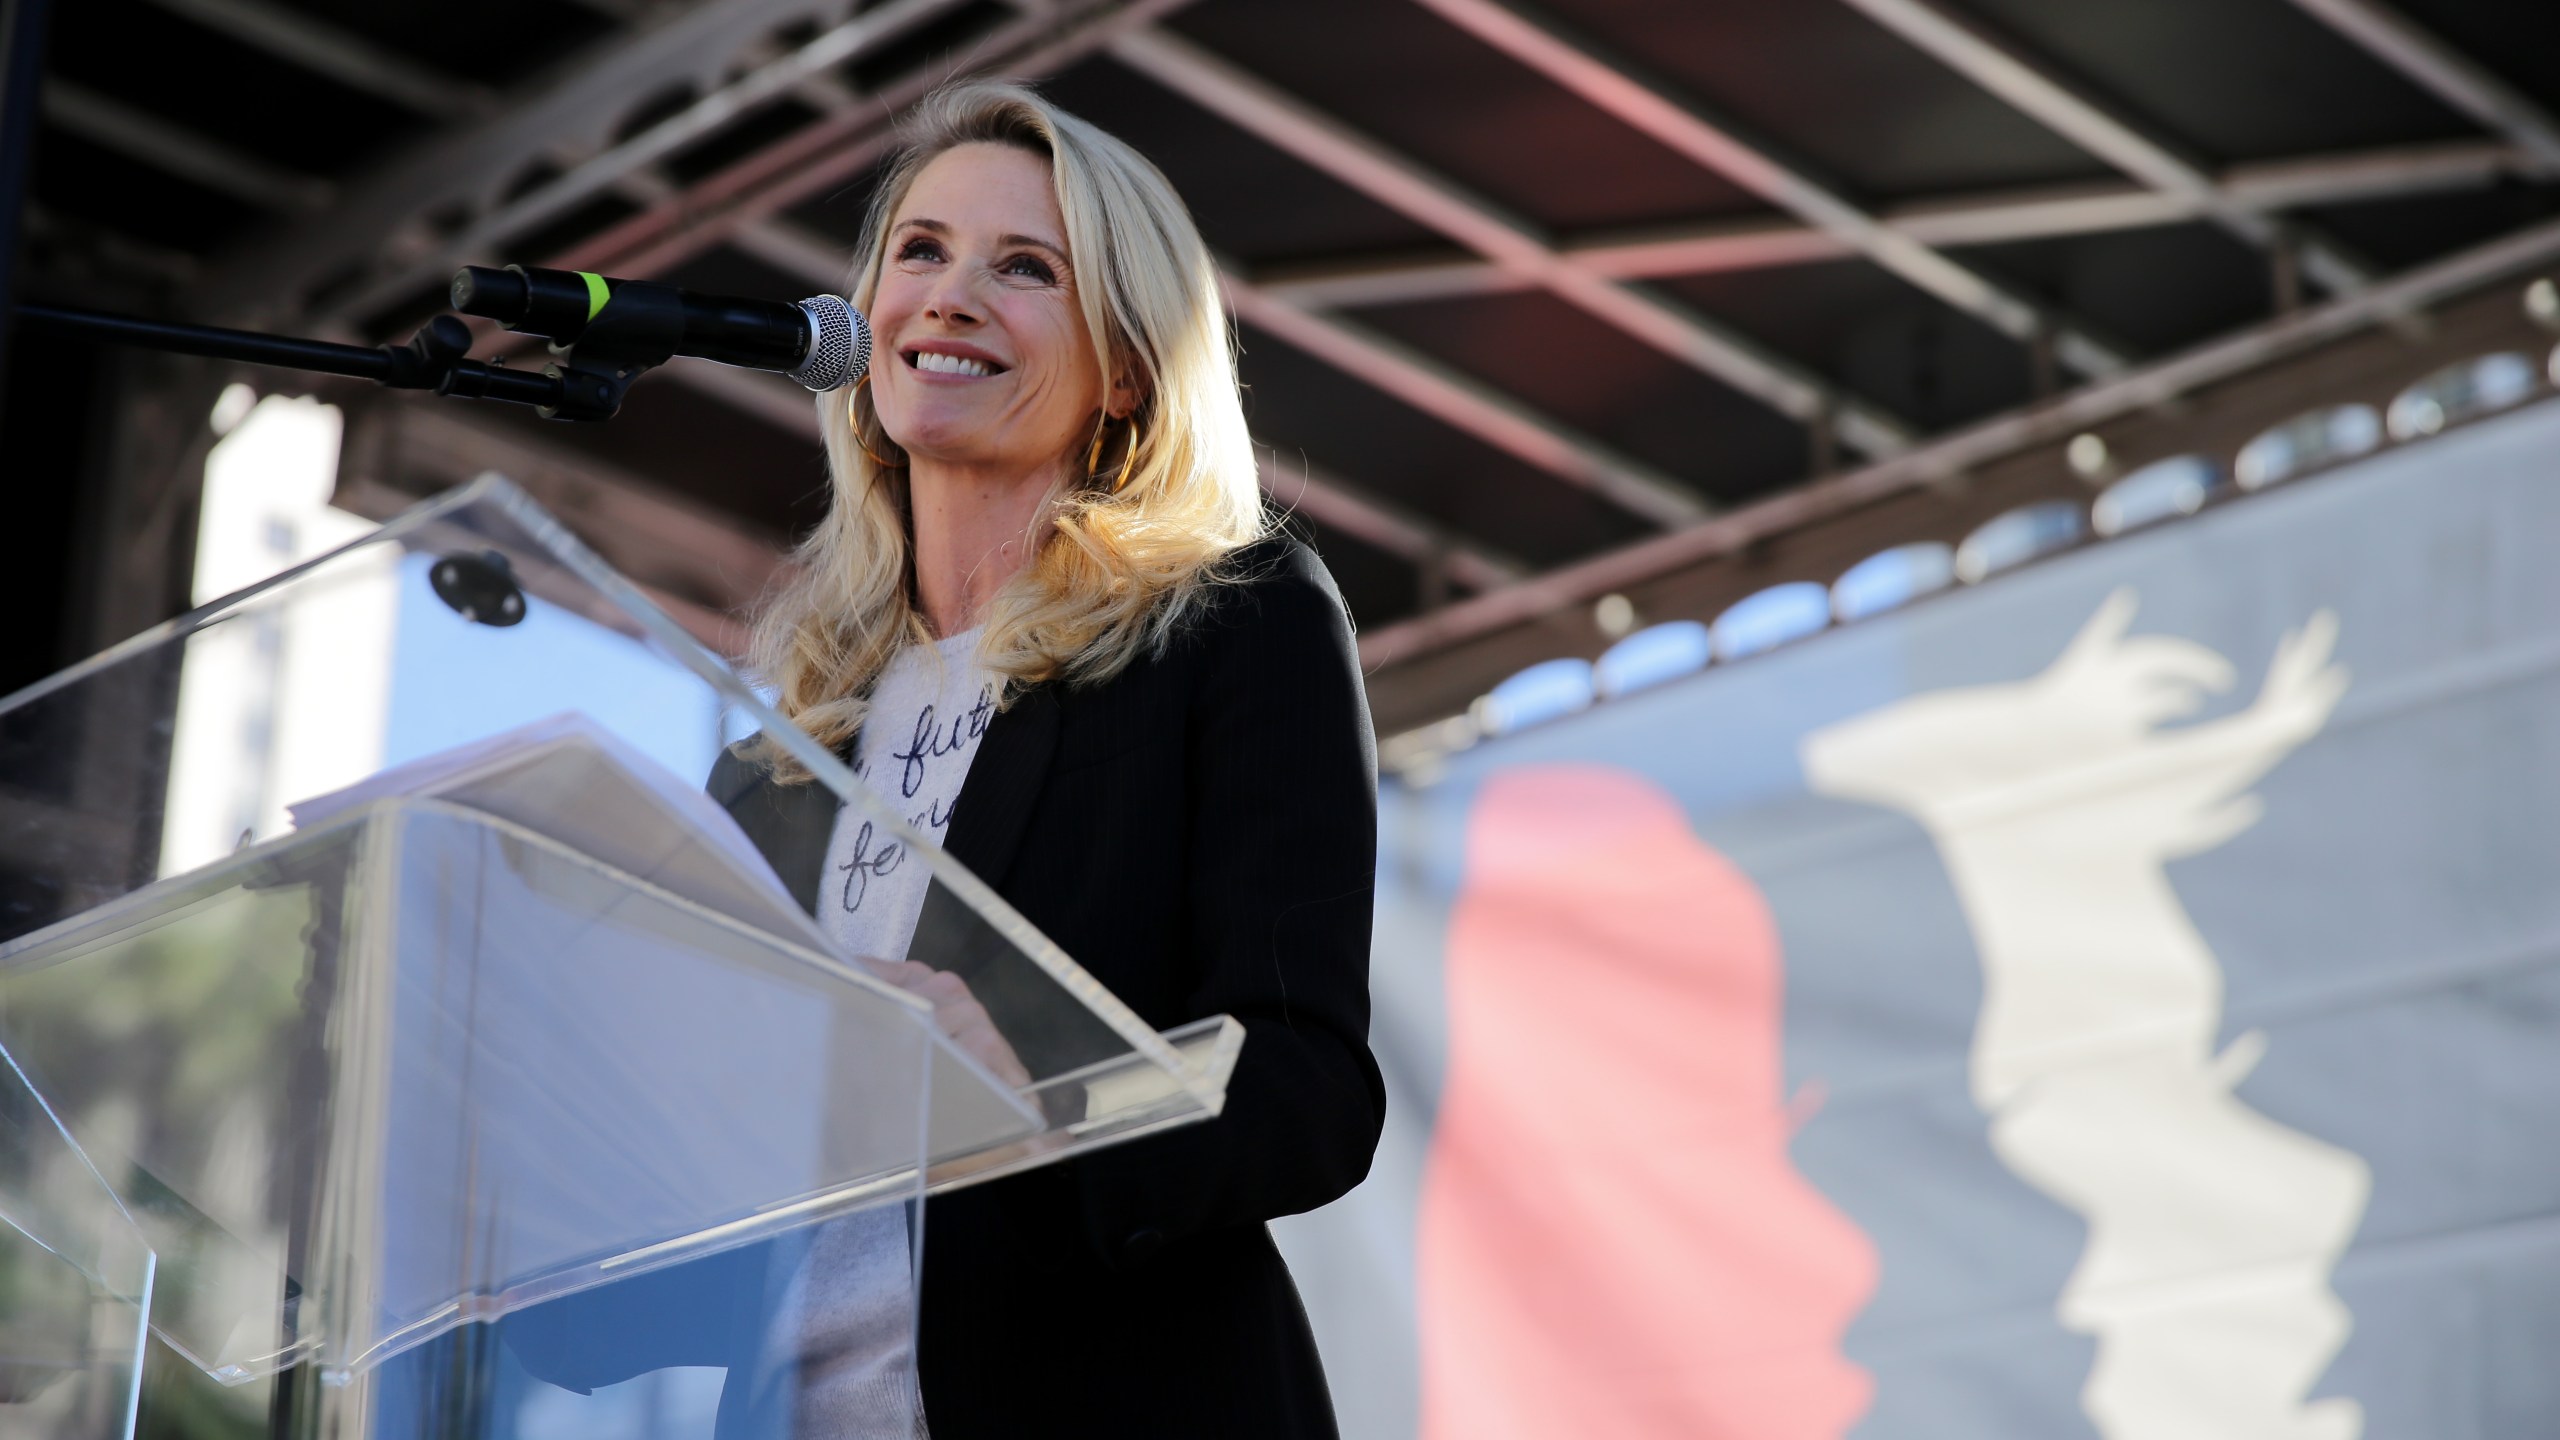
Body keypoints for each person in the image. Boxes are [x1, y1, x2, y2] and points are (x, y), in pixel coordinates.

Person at [711, 78, 1382, 1437]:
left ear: (1126, 366)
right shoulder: (775, 767)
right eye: (921, 252)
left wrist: (1049, 1089)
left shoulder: (1233, 622)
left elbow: (1309, 1089)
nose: (950, 297)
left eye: (1026, 268)